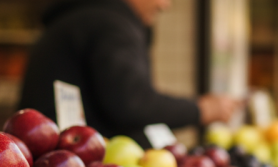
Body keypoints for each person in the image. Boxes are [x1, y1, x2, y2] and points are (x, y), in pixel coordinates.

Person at [18, 0, 238, 147]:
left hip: (52, 160)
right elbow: (132, 103)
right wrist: (202, 109)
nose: (165, 5)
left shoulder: (80, 18)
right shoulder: (111, 25)